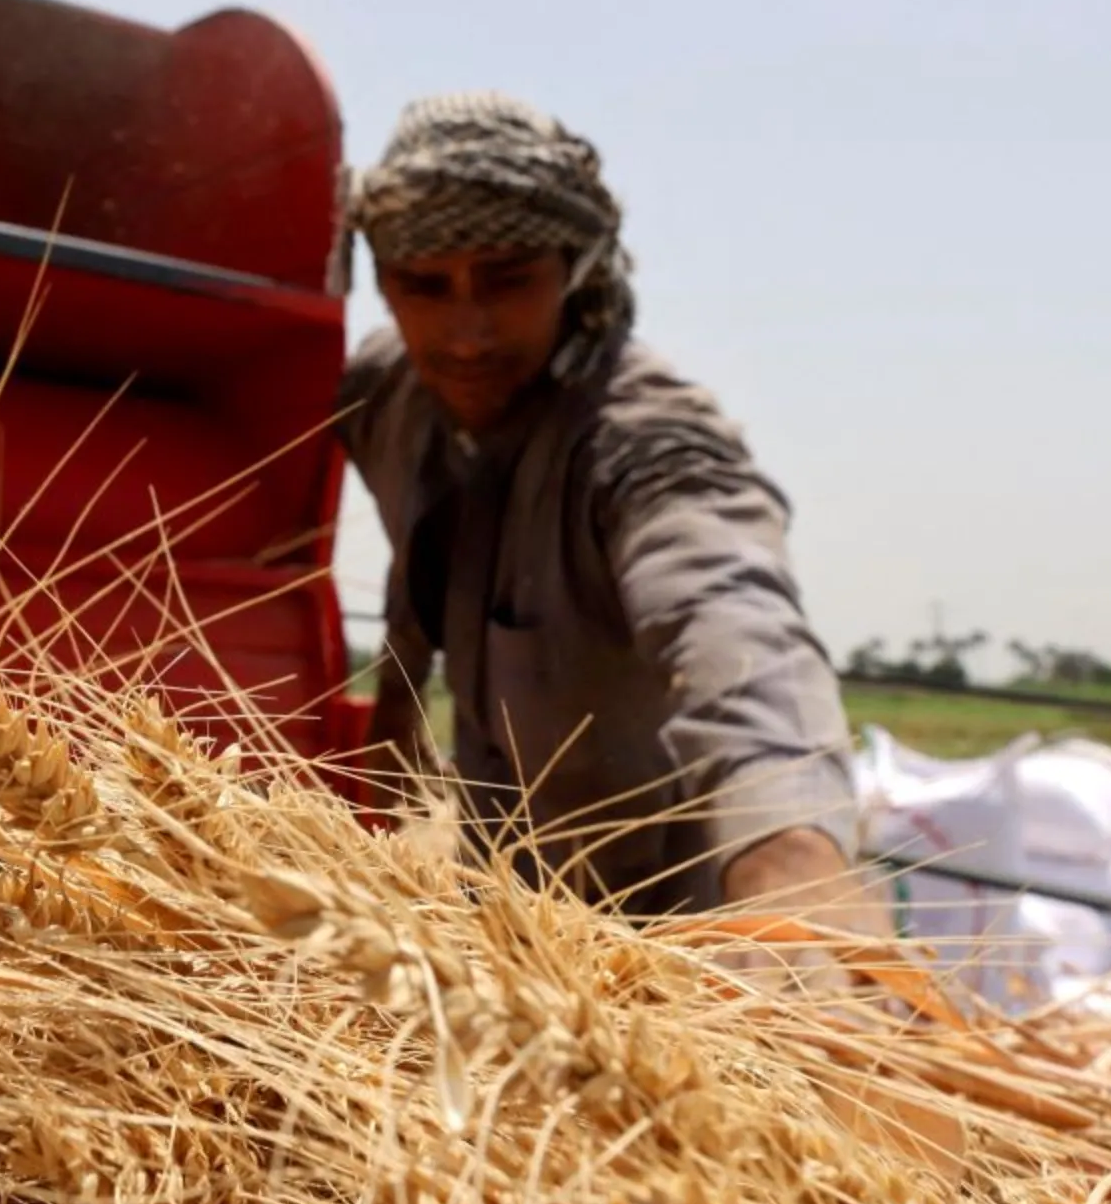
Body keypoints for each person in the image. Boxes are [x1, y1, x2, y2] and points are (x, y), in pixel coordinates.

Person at [336, 91, 885, 937]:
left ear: (576, 268)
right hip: (501, 926)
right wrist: (391, 736)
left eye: (509, 280)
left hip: (681, 951)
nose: (466, 332)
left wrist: (789, 857)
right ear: (382, 282)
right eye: (424, 286)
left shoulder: (643, 438)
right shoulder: (385, 397)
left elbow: (730, 615)